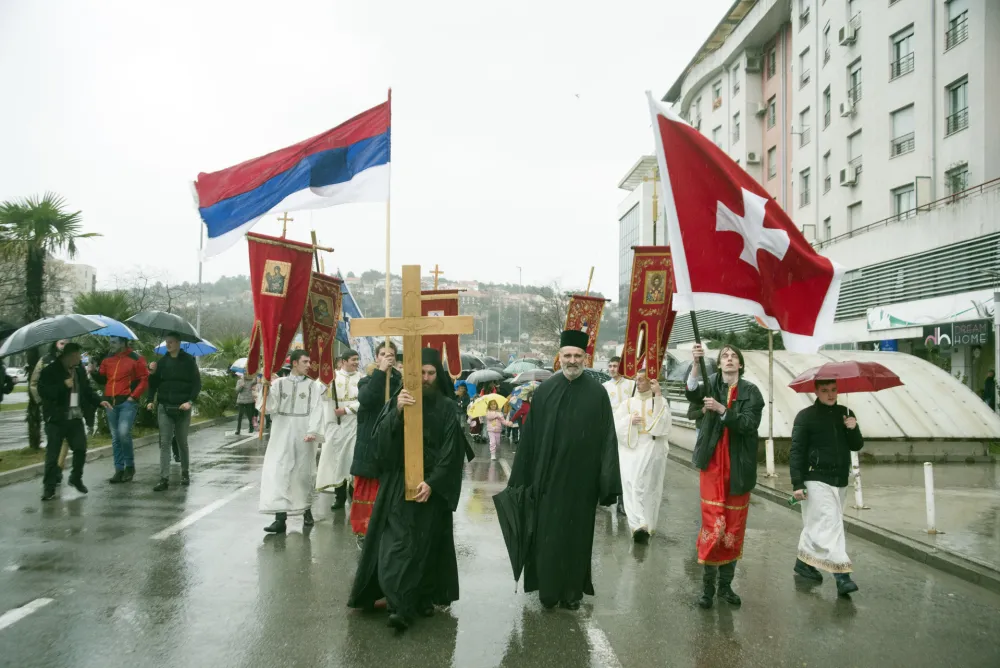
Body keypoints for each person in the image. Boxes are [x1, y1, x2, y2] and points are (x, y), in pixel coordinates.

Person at [347, 348, 466, 632]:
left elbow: (452, 452)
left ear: (437, 376)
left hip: (430, 488)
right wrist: (397, 411)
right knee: (397, 546)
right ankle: (399, 605)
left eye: (430, 373)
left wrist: (434, 483)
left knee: (427, 547)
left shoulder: (448, 407)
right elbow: (379, 447)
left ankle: (422, 597)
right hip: (399, 485)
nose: (425, 378)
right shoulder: (397, 400)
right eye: (420, 373)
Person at [502, 330, 620, 610]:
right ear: (560, 357)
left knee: (577, 539)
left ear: (585, 358)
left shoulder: (597, 394)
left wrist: (608, 483)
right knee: (548, 538)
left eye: (578, 355)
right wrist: (522, 479)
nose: (572, 360)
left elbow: (608, 439)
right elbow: (530, 438)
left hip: (583, 482)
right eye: (567, 355)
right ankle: (548, 590)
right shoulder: (545, 391)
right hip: (548, 481)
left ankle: (572, 593)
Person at [686, 343, 763, 610]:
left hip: (739, 467)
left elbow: (749, 424)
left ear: (740, 363)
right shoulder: (711, 384)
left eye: (733, 356)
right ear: (718, 364)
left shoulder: (752, 392)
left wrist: (722, 410)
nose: (729, 359)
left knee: (733, 527)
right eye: (724, 356)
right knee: (712, 525)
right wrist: (696, 363)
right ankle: (707, 588)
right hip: (713, 465)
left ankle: (726, 586)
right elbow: (692, 393)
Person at [790, 378, 863, 596]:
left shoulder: (846, 412)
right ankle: (842, 576)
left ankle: (804, 563)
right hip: (815, 478)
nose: (830, 395)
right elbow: (796, 451)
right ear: (816, 391)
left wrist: (853, 427)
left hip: (840, 479)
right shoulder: (806, 417)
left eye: (833, 390)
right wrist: (797, 483)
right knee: (832, 525)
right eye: (825, 391)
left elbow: (856, 445)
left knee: (819, 524)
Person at [257, 350, 326, 533]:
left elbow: (317, 409)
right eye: (305, 361)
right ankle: (280, 518)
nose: (308, 365)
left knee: (303, 472)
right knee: (280, 471)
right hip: (281, 432)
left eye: (309, 361)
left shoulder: (313, 386)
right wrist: (264, 388)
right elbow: (269, 407)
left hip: (304, 433)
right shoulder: (278, 384)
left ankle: (306, 511)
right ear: (295, 363)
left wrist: (313, 431)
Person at [39, 343, 108, 500]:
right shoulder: (50, 371)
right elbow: (45, 392)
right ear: (68, 356)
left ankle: (75, 478)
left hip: (75, 417)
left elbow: (87, 390)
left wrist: (99, 402)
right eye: (77, 355)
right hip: (56, 418)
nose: (79, 358)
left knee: (80, 448)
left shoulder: (79, 370)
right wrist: (63, 385)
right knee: (53, 454)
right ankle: (49, 487)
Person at [350, 341, 403, 543]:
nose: (387, 357)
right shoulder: (366, 381)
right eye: (383, 354)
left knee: (390, 492)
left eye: (391, 354)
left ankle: (388, 533)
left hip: (392, 446)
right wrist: (381, 372)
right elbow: (368, 399)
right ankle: (364, 535)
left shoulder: (401, 382)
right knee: (367, 493)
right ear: (376, 357)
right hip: (370, 446)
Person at [614, 368, 671, 544]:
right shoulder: (628, 404)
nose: (638, 383)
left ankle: (647, 523)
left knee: (649, 487)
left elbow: (665, 424)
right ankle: (637, 524)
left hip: (652, 449)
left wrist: (658, 395)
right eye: (636, 380)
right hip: (632, 449)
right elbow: (616, 425)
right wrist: (629, 421)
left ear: (651, 382)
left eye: (641, 380)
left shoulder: (660, 401)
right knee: (632, 484)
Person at [146, 333, 201, 491]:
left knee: (182, 442)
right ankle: (164, 478)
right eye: (166, 342)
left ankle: (185, 472)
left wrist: (189, 401)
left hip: (182, 407)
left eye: (171, 342)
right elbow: (153, 384)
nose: (168, 345)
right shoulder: (162, 362)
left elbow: (196, 384)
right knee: (165, 443)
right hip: (164, 406)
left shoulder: (189, 361)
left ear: (178, 343)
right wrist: (150, 398)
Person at [91, 336, 149, 484]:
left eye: (114, 342)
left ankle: (130, 466)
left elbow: (144, 379)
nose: (111, 345)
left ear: (123, 343)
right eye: (110, 342)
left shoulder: (135, 358)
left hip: (127, 402)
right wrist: (93, 372)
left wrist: (133, 396)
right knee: (116, 437)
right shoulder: (107, 359)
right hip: (110, 403)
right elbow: (103, 379)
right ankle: (119, 469)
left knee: (123, 433)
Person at [317, 349, 362, 510]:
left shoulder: (362, 378)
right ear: (343, 362)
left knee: (352, 460)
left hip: (355, 424)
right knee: (336, 460)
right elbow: (320, 396)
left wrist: (347, 410)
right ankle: (339, 497)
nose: (356, 362)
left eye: (357, 359)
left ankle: (354, 495)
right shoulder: (332, 378)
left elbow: (366, 400)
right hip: (336, 427)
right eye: (353, 359)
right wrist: (325, 383)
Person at [30, 339, 69, 480]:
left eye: (67, 343)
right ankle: (52, 472)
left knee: (66, 440)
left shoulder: (71, 360)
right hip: (51, 407)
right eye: (62, 343)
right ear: (55, 344)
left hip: (68, 406)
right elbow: (34, 383)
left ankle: (58, 467)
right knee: (53, 439)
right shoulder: (45, 360)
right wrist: (40, 401)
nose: (64, 346)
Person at [602, 356, 635, 517]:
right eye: (610, 366)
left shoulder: (631, 384)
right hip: (611, 429)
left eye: (615, 366)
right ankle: (609, 496)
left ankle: (624, 502)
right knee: (611, 464)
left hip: (628, 429)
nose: (612, 369)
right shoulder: (604, 387)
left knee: (626, 466)